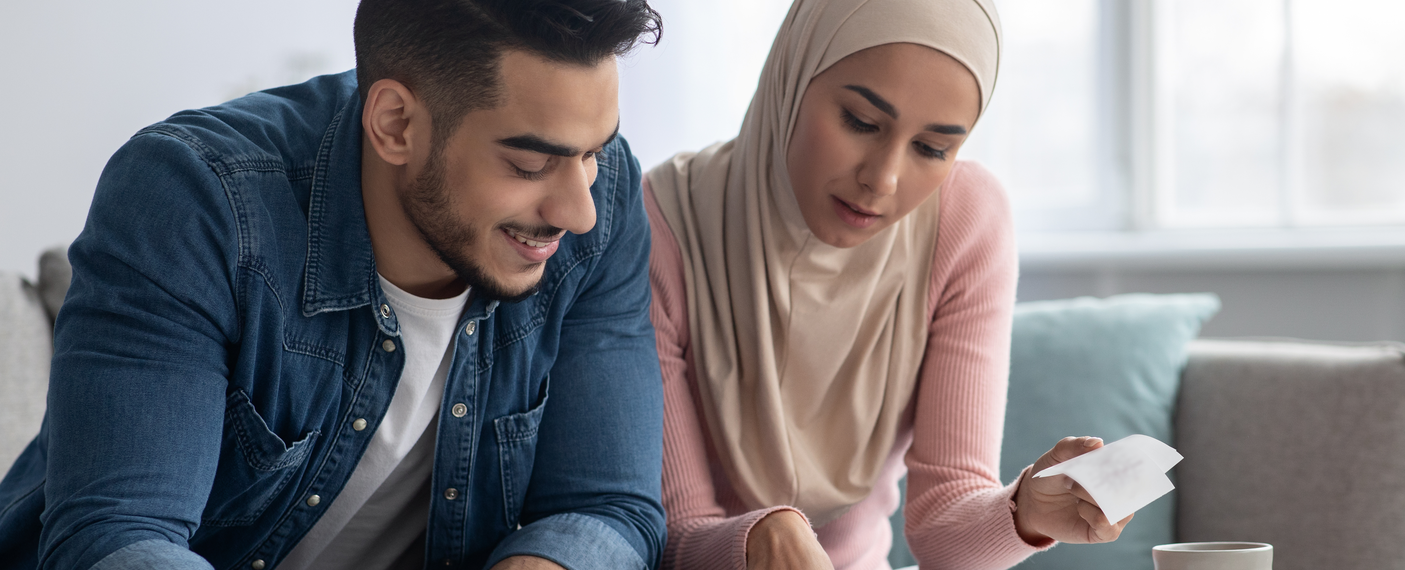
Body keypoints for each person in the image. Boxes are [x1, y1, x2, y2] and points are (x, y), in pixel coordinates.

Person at [0, 1, 667, 569]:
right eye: (529, 164)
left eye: (593, 151)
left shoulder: (600, 205)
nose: (578, 211)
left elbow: (605, 504)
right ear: (396, 125)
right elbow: (119, 538)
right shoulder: (195, 199)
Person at [643, 0, 1133, 568]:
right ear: (794, 73)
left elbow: (943, 526)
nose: (883, 179)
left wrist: (1024, 511)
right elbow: (669, 536)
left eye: (932, 149)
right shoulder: (661, 228)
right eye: (861, 122)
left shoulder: (965, 221)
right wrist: (755, 541)